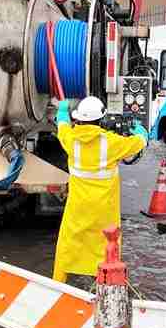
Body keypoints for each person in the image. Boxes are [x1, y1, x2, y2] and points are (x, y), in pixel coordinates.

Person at [52, 96, 147, 286]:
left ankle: (58, 284)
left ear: (78, 118)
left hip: (78, 208)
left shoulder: (71, 140)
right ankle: (107, 285)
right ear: (101, 119)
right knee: (106, 246)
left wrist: (62, 112)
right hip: (104, 210)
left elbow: (62, 126)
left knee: (68, 246)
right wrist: (141, 132)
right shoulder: (111, 143)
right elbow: (138, 143)